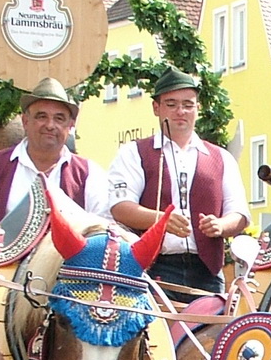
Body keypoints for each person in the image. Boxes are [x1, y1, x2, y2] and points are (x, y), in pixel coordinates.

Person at [106, 68, 250, 303]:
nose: (180, 111)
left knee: (208, 337)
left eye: (187, 104)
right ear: (156, 108)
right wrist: (160, 220)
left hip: (207, 271)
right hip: (151, 268)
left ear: (197, 108)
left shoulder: (221, 157)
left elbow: (240, 213)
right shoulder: (134, 153)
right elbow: (120, 207)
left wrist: (221, 225)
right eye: (171, 104)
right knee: (153, 338)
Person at [0, 78, 108, 236]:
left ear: (70, 126)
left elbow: (104, 228)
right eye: (41, 116)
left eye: (59, 118)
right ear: (25, 121)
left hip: (65, 267)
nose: (50, 125)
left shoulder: (90, 173)